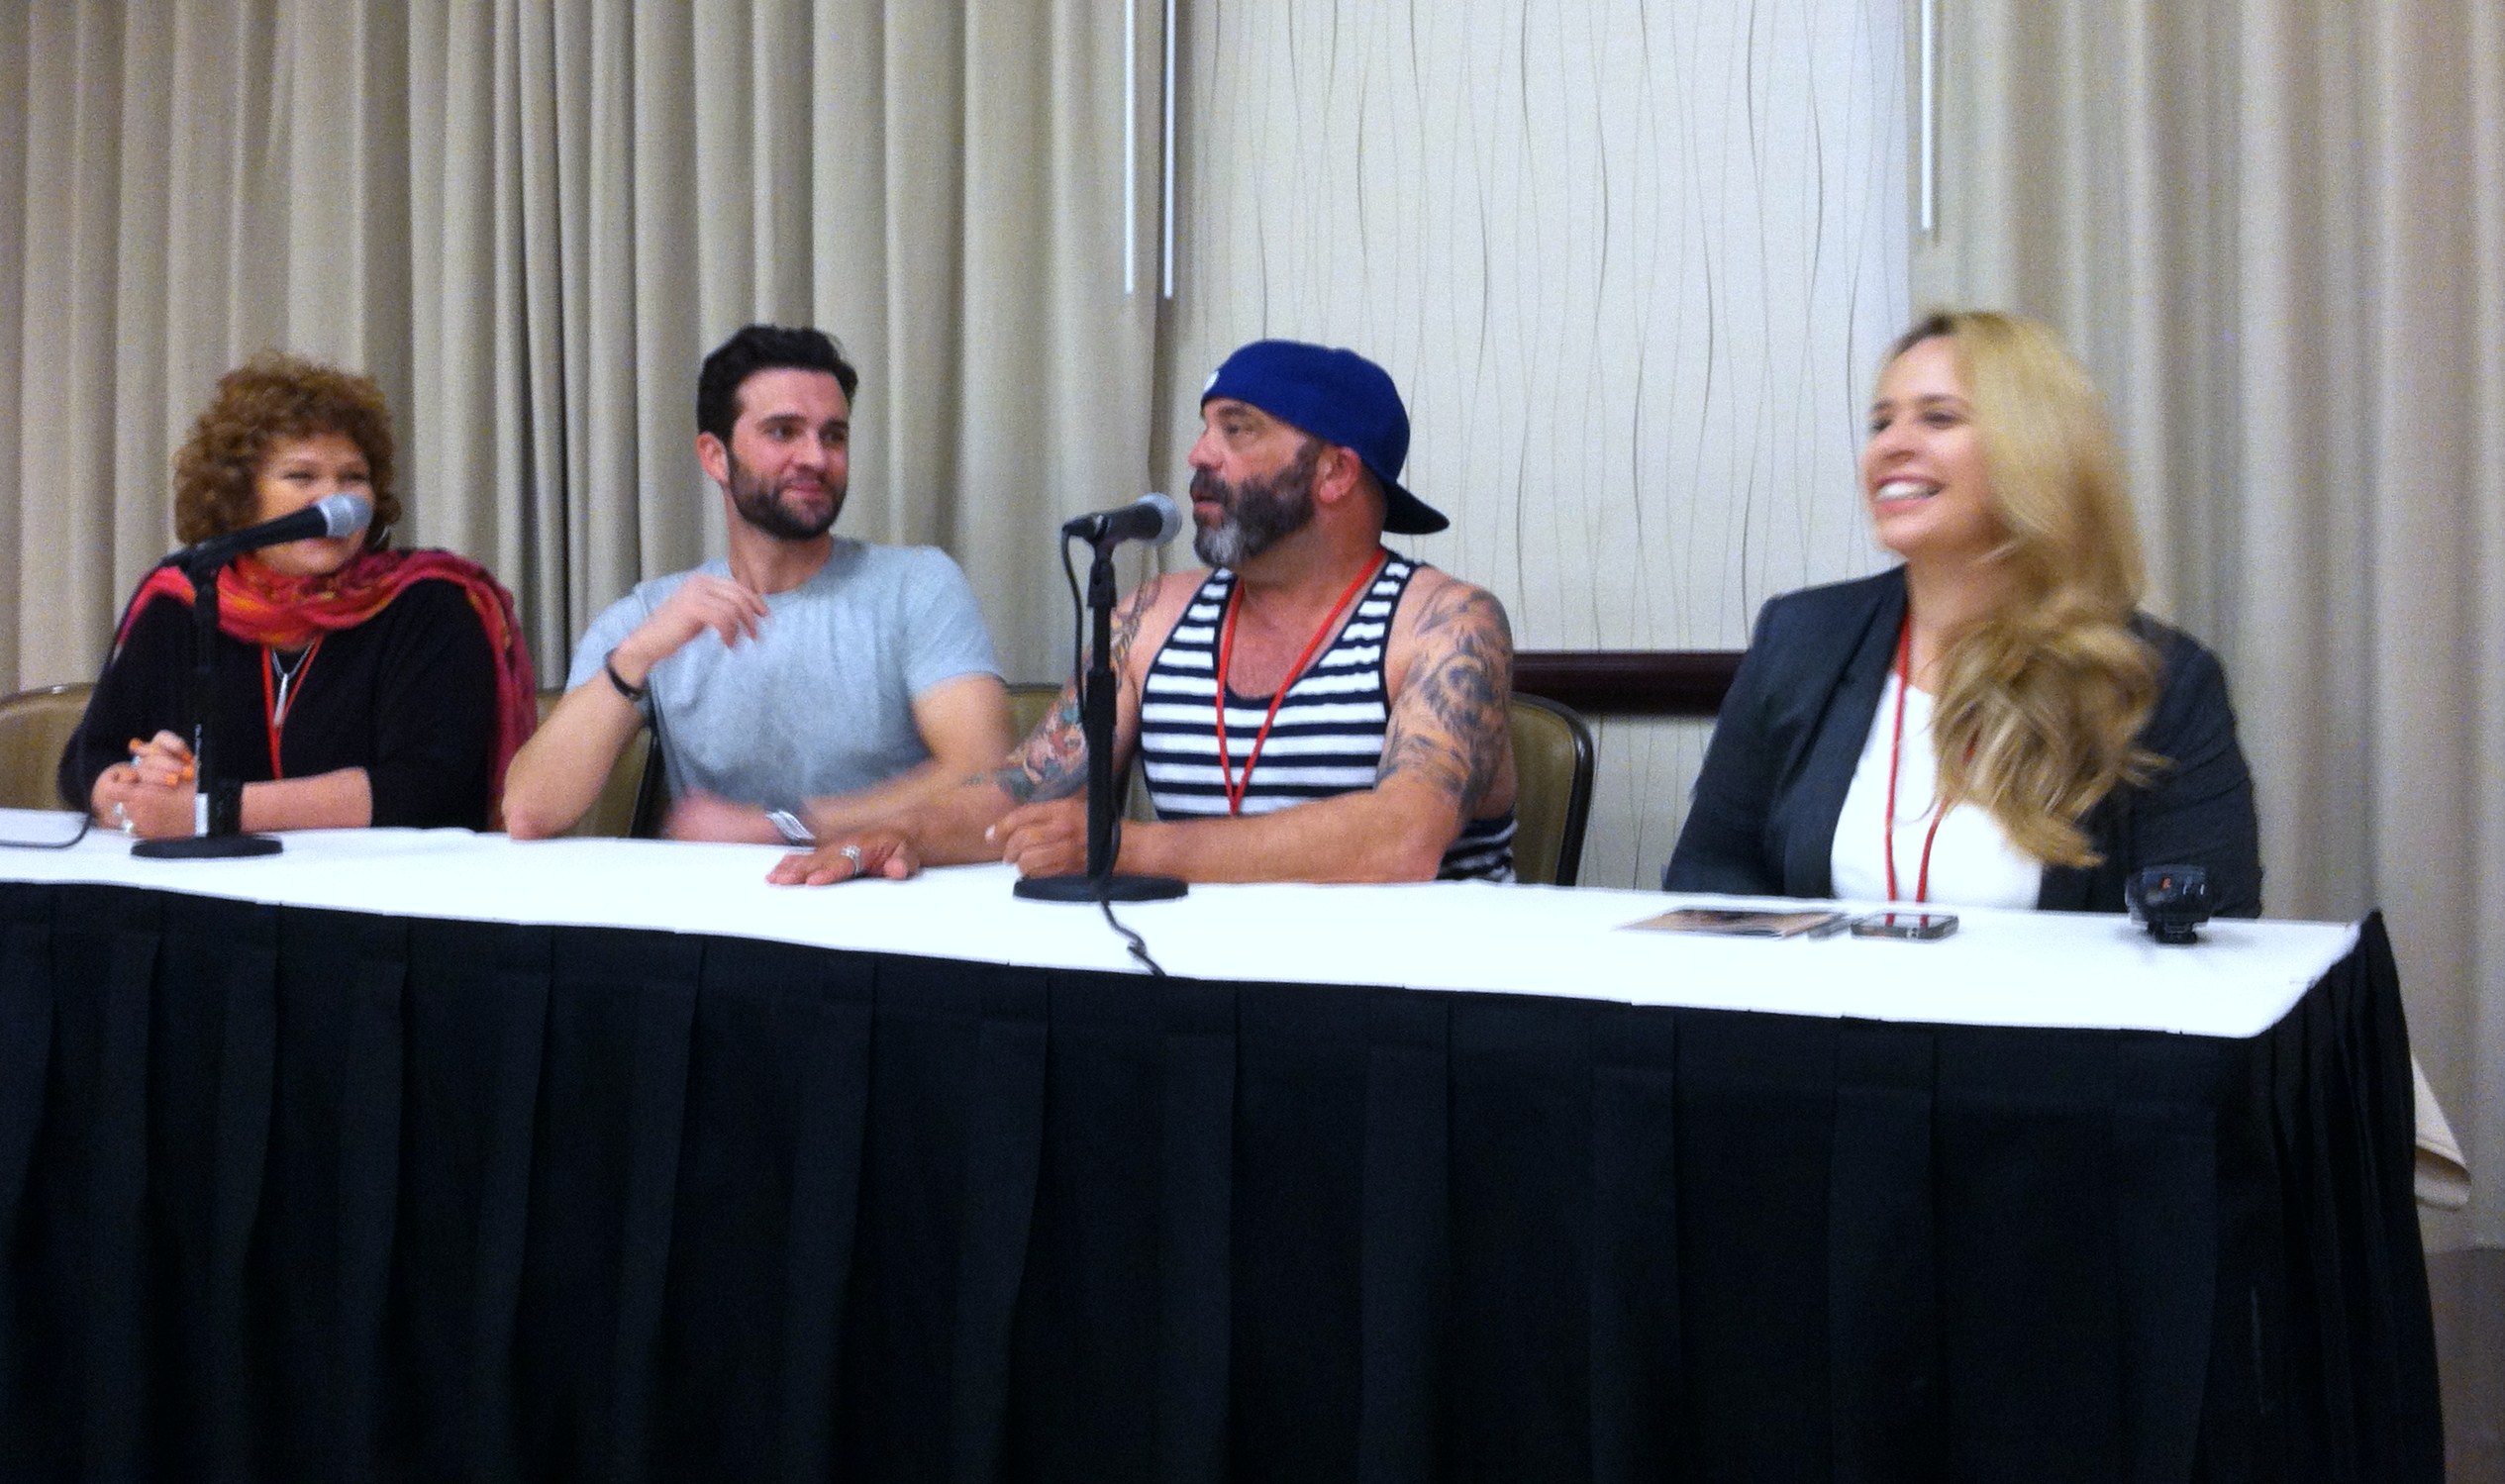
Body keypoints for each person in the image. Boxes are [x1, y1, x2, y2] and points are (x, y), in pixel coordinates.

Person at [768, 339, 1518, 887]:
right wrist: (902, 832)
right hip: (1199, 993)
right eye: (1204, 426)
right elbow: (1020, 791)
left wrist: (1128, 848)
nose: (1198, 454)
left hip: (1405, 1016)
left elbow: (1401, 840)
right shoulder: (1154, 613)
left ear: (1334, 471)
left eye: (1238, 427)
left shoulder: (1447, 624)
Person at [1663, 309, 2262, 914]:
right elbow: (1709, 874)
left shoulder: (2156, 681)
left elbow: (2210, 930)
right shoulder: (1801, 638)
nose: (1892, 445)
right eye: (1881, 422)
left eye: (1938, 417)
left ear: (2034, 451)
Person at [501, 325, 1011, 842]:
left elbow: (985, 775)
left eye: (833, 436)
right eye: (783, 432)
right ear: (715, 456)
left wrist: (782, 829)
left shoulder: (917, 586)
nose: (815, 457)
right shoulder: (652, 616)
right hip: (715, 913)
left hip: (887, 896)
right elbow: (529, 813)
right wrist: (637, 655)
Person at [60, 353, 537, 838]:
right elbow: (88, 755)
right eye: (302, 477)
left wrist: (212, 811)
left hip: (382, 893)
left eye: (353, 478)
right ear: (239, 497)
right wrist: (128, 788)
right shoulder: (184, 603)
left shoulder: (429, 603)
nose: (336, 501)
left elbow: (427, 788)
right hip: (213, 889)